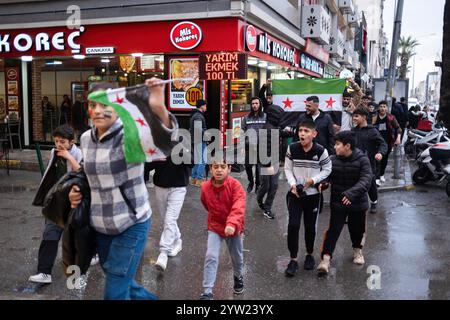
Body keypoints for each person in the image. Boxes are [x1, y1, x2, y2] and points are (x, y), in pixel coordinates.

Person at [69, 78, 177, 300]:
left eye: (104, 104)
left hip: (131, 223)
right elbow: (87, 172)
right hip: (100, 225)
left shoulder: (131, 134)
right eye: (92, 105)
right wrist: (77, 188)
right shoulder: (86, 139)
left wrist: (158, 107)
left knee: (115, 291)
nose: (97, 110)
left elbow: (166, 141)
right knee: (122, 281)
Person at [29, 125, 83, 284]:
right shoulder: (54, 152)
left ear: (72, 141)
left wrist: (69, 157)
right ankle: (44, 272)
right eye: (56, 141)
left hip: (74, 203)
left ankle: (76, 275)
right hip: (57, 202)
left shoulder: (79, 153)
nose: (59, 145)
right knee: (50, 235)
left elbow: (82, 174)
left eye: (63, 142)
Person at [316, 131, 373, 275]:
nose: (334, 147)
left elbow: (366, 180)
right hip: (338, 202)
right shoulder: (332, 160)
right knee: (333, 231)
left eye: (337, 144)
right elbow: (325, 176)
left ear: (347, 146)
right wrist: (323, 184)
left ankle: (357, 251)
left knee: (357, 230)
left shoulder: (363, 159)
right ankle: (326, 259)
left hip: (358, 203)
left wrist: (351, 193)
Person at [283, 120, 332, 276]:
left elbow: (327, 169)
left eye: (306, 131)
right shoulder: (292, 148)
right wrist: (292, 184)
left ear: (314, 134)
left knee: (310, 227)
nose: (302, 133)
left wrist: (313, 180)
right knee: (293, 226)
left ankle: (309, 255)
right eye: (300, 130)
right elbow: (287, 169)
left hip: (313, 196)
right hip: (295, 195)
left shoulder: (321, 150)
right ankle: (293, 259)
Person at [199, 155, 246, 300]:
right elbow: (206, 204)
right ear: (211, 169)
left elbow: (239, 206)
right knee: (211, 256)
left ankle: (238, 276)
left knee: (236, 257)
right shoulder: (205, 187)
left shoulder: (235, 185)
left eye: (223, 166)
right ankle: (207, 291)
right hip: (215, 226)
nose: (219, 170)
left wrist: (231, 224)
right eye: (215, 166)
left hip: (233, 227)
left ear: (229, 169)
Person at [148, 157, 190, 271]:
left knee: (169, 219)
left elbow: (192, 161)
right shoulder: (157, 139)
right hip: (160, 183)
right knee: (165, 219)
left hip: (179, 185)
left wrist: (173, 153)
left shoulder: (187, 139)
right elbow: (148, 162)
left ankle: (163, 253)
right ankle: (177, 240)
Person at [352, 107, 387, 214]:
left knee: (370, 184)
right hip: (355, 162)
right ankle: (354, 205)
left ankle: (374, 202)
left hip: (369, 163)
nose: (354, 118)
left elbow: (383, 144)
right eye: (354, 116)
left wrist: (380, 153)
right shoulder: (353, 131)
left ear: (364, 117)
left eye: (356, 116)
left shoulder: (373, 131)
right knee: (355, 183)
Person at [256, 93, 284, 220]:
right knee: (267, 186)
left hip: (274, 162)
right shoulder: (266, 129)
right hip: (267, 163)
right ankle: (259, 198)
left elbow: (280, 133)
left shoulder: (274, 127)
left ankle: (267, 208)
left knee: (274, 186)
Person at [372, 101, 401, 185]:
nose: (382, 108)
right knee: (376, 159)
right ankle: (376, 177)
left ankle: (381, 174)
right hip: (375, 142)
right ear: (378, 108)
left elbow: (398, 128)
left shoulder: (391, 118)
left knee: (384, 159)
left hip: (387, 142)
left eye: (384, 106)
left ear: (387, 108)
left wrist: (398, 138)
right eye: (381, 106)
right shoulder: (374, 116)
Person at [242, 97, 266, 193]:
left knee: (258, 167)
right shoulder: (246, 117)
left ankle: (257, 185)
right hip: (250, 146)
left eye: (256, 103)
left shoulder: (265, 116)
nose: (254, 105)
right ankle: (251, 182)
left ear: (260, 105)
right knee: (247, 166)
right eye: (253, 104)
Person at [190, 99, 208, 187]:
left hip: (196, 140)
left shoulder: (195, 115)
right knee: (203, 160)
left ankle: (194, 178)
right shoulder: (198, 116)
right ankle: (199, 179)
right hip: (200, 140)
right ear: (202, 106)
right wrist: (206, 134)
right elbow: (198, 129)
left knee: (197, 159)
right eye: (205, 105)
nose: (206, 107)